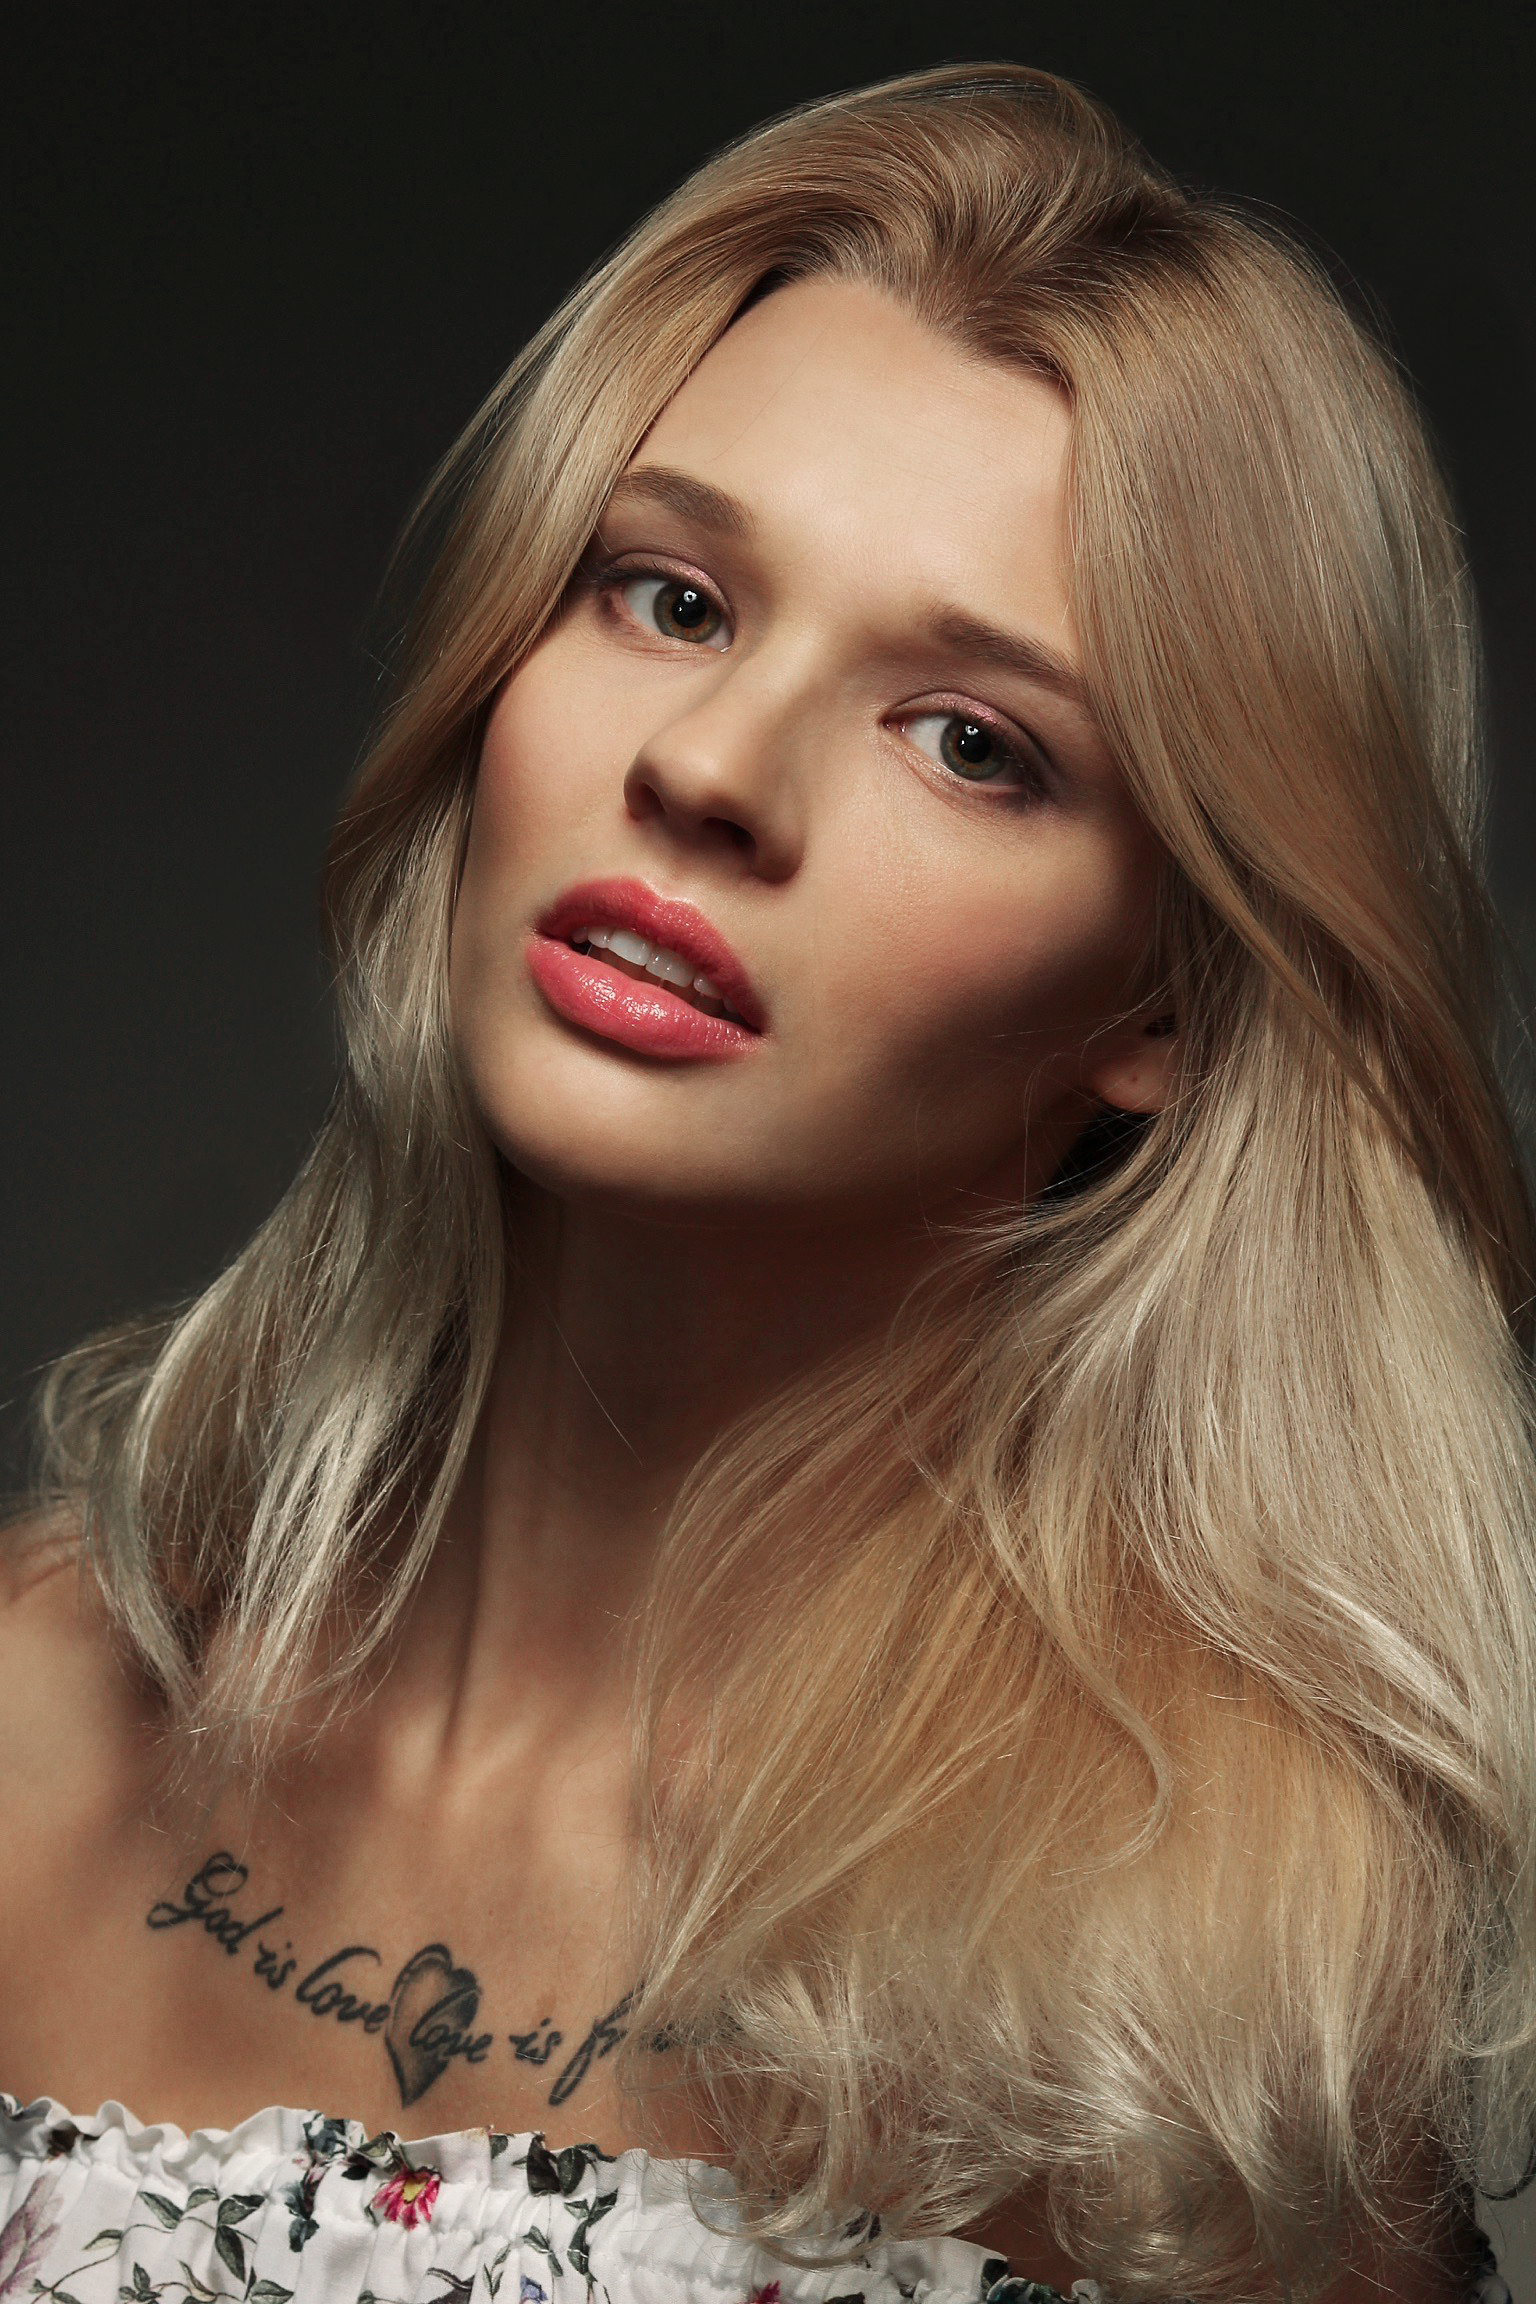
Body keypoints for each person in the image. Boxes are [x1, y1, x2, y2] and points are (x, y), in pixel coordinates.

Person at [1, 59, 1531, 2304]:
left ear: (1171, 1005)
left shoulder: (1205, 2028)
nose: (709, 766)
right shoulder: (27, 1717)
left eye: (974, 742)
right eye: (672, 597)